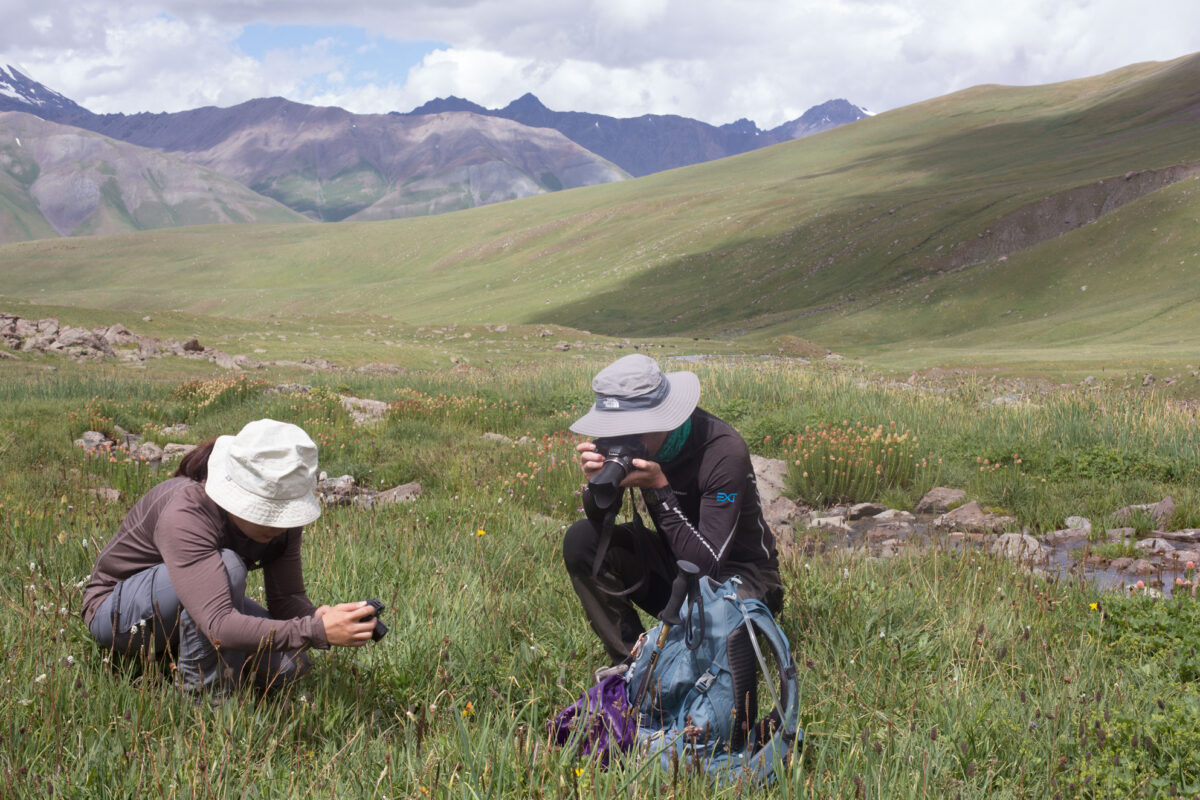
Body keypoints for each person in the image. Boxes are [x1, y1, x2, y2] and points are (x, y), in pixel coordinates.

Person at [81, 418, 378, 696]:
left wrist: (318, 616)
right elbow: (220, 624)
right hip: (117, 615)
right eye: (268, 512)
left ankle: (172, 655)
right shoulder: (187, 510)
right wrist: (315, 632)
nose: (278, 525)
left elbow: (286, 599)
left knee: (291, 667)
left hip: (196, 600)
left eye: (284, 514)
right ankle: (206, 700)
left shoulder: (284, 525)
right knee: (229, 565)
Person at [563, 354, 783, 669]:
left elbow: (707, 569)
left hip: (742, 579)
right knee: (581, 539)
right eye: (612, 431)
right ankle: (632, 665)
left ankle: (679, 662)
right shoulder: (640, 444)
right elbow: (600, 520)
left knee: (710, 629)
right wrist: (598, 482)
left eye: (629, 430)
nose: (621, 440)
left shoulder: (722, 451)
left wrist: (659, 490)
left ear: (663, 417)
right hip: (677, 567)